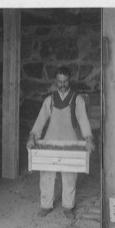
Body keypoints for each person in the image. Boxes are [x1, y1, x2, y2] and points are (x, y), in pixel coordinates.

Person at [27, 66, 95, 219]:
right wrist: (33, 136)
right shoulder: (49, 100)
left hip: (70, 143)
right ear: (55, 81)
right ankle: (46, 205)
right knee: (46, 174)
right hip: (51, 141)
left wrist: (88, 138)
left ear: (69, 80)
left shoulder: (77, 99)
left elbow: (83, 120)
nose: (62, 84)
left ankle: (68, 206)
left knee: (70, 175)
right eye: (59, 81)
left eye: (65, 81)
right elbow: (40, 120)